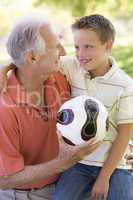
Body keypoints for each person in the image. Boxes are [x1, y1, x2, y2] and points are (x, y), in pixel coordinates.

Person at [0, 16, 100, 199]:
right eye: (56, 46)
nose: (63, 51)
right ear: (32, 57)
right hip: (23, 194)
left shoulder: (59, 78)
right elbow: (3, 179)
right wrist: (61, 163)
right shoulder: (5, 109)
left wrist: (122, 148)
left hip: (69, 180)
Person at [52, 14, 133, 200]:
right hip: (79, 162)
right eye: (77, 47)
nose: (80, 54)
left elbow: (124, 134)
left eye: (88, 47)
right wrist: (6, 68)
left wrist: (104, 177)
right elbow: (35, 58)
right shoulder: (73, 67)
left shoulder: (125, 84)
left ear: (108, 45)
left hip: (115, 166)